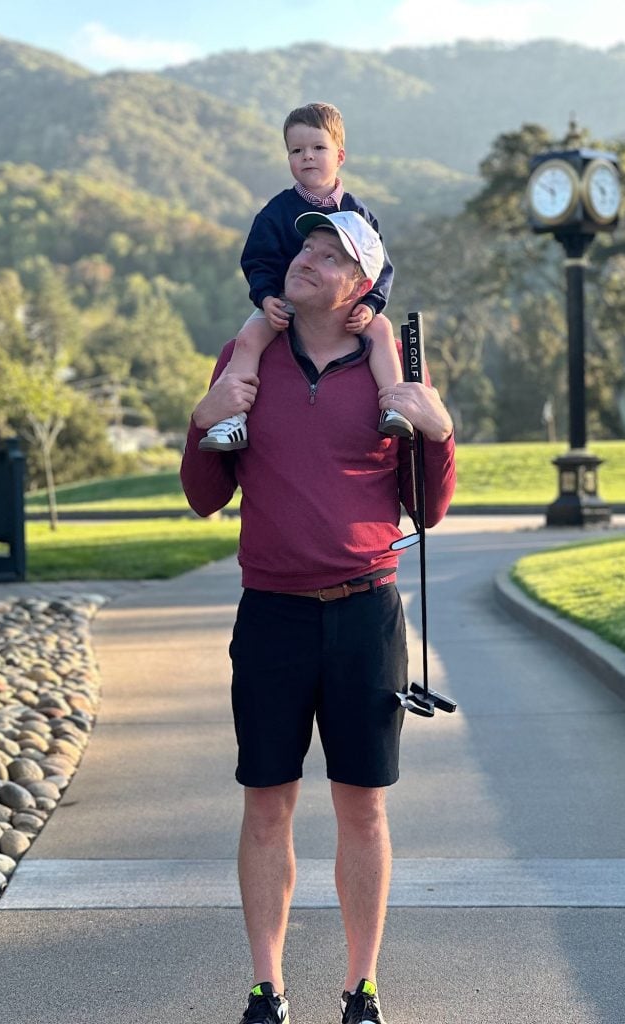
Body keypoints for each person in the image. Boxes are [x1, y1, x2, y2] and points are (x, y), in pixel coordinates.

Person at [180, 210, 456, 1024]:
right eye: (307, 244)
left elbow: (426, 506)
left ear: (361, 284)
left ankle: (360, 988)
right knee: (266, 802)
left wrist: (438, 433)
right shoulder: (243, 354)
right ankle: (265, 988)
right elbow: (203, 497)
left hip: (365, 614)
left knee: (361, 806)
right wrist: (203, 419)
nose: (307, 258)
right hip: (269, 615)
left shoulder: (393, 363)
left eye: (331, 252)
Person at [199, 101, 412, 453]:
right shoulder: (276, 211)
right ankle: (231, 420)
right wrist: (266, 298)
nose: (307, 157)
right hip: (284, 305)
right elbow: (258, 260)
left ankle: (393, 405)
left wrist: (372, 305)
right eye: (296, 150)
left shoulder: (357, 212)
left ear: (339, 155)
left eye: (318, 148)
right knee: (249, 337)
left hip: (346, 308)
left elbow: (380, 266)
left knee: (383, 331)